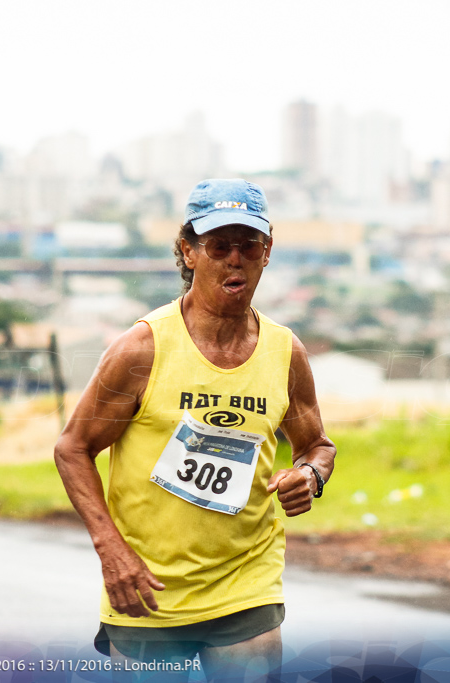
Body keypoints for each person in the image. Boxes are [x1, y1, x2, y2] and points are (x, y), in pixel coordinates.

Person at [54, 178, 336, 680]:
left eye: (248, 245)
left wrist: (310, 476)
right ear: (188, 251)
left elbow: (316, 445)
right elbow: (73, 448)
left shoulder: (284, 351)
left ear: (267, 251)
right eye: (218, 246)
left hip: (247, 581)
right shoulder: (142, 350)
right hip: (147, 587)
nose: (235, 259)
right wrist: (111, 551)